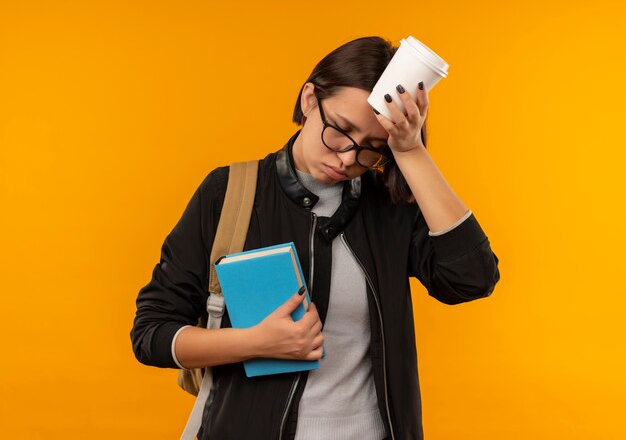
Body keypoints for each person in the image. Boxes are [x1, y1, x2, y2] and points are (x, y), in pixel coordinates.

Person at [130, 35, 501, 440]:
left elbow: (472, 278)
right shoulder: (227, 193)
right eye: (340, 130)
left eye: (371, 148)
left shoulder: (389, 208)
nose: (347, 158)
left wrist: (410, 152)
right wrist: (253, 342)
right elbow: (151, 333)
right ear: (309, 99)